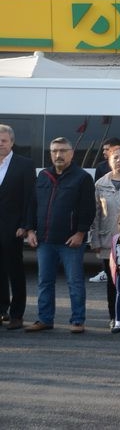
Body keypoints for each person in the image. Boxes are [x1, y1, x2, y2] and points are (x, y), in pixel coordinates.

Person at [25, 137, 95, 334]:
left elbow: (88, 209)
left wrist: (81, 233)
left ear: (72, 153)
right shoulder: (43, 176)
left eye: (63, 150)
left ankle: (77, 320)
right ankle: (44, 319)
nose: (58, 155)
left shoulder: (82, 178)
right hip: (44, 240)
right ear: (50, 153)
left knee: (75, 282)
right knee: (44, 282)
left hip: (70, 241)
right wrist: (30, 230)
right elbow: (32, 205)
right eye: (55, 151)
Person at [90, 145, 120, 332]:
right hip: (108, 239)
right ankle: (114, 316)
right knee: (113, 281)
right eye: (115, 157)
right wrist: (95, 241)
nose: (119, 161)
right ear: (109, 160)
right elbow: (96, 215)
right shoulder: (100, 184)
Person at [0, 124, 35, 330]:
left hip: (14, 228)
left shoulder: (24, 164)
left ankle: (17, 314)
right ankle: (1, 309)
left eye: (3, 141)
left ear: (12, 142)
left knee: (15, 271)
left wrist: (26, 225)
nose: (0, 144)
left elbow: (30, 198)